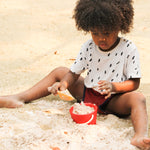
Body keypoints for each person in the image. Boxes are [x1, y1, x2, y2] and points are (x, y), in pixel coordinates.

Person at [0, 0, 150, 149]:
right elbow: (74, 73)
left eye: (106, 33)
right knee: (60, 71)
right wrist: (63, 84)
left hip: (112, 99)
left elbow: (134, 83)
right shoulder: (89, 46)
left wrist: (114, 86)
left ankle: (140, 136)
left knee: (138, 98)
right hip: (87, 94)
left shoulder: (129, 49)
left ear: (119, 26)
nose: (100, 38)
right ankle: (19, 98)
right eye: (95, 33)